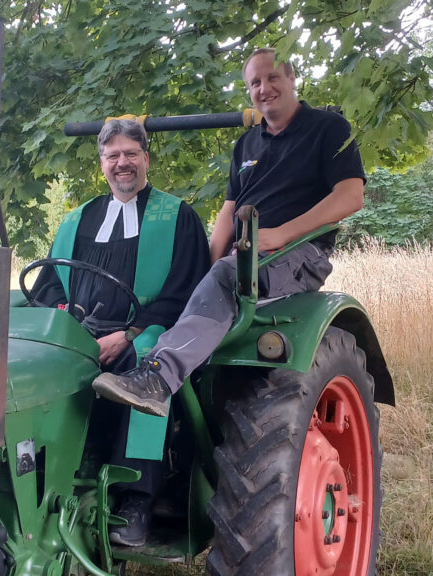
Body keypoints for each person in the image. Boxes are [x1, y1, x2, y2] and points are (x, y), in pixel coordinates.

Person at [92, 47, 366, 419]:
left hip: (300, 254)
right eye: (255, 82)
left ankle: (157, 379)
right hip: (247, 254)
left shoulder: (328, 128)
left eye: (272, 78)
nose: (264, 88)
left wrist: (280, 235)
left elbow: (350, 196)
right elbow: (227, 212)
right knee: (207, 277)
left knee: (227, 275)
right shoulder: (247, 143)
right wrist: (200, 270)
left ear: (292, 79)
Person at [31, 118, 210, 546]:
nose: (122, 163)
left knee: (147, 363)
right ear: (102, 165)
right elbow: (50, 282)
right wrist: (67, 323)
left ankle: (135, 501)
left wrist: (129, 333)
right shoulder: (78, 219)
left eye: (131, 154)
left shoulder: (177, 217)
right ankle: (45, 478)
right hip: (80, 330)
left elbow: (187, 290)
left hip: (143, 331)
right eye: (113, 156)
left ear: (146, 159)